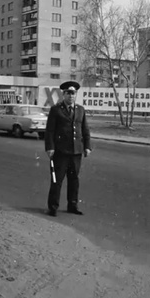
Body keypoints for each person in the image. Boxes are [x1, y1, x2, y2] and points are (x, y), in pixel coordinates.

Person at [44, 80, 92, 217]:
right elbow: (50, 131)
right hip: (60, 152)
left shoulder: (80, 110)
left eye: (73, 93)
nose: (71, 96)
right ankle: (53, 207)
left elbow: (85, 129)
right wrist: (50, 148)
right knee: (57, 180)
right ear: (63, 94)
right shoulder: (56, 110)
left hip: (76, 152)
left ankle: (73, 205)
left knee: (74, 180)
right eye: (68, 93)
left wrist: (87, 146)